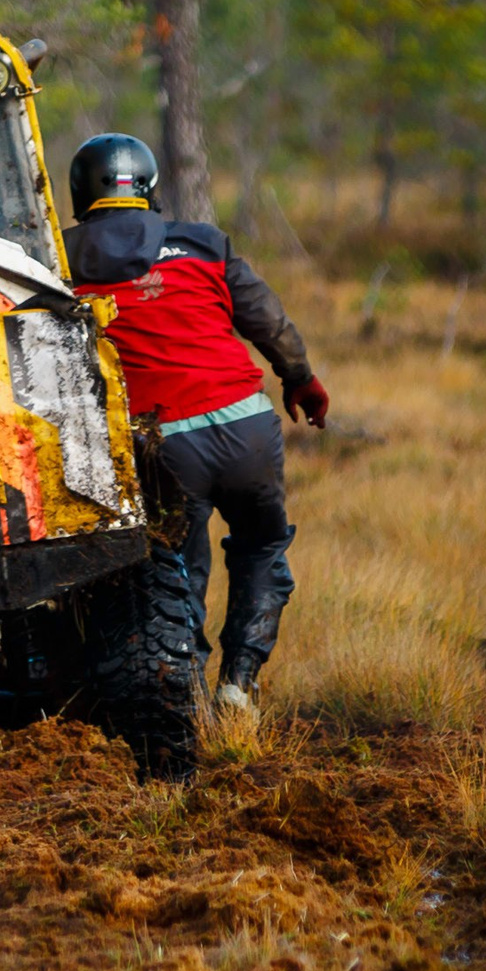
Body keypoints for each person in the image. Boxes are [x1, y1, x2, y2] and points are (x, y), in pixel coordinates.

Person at [61, 134, 329, 711]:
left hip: (162, 444)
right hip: (247, 427)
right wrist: (301, 379)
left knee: (177, 575)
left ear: (81, 190)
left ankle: (191, 703)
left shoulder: (59, 261)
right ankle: (240, 681)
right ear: (149, 186)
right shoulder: (203, 243)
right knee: (262, 546)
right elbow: (268, 322)